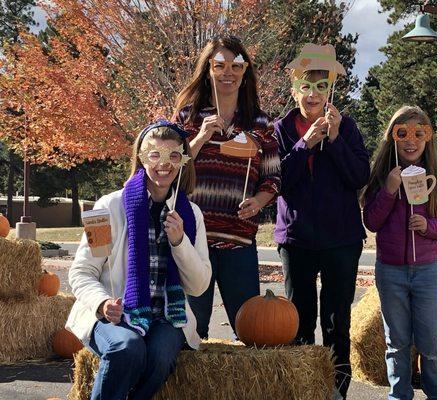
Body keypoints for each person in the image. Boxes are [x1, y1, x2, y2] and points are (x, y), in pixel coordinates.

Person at [66, 120, 211, 400]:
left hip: (167, 317)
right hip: (114, 316)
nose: (163, 164)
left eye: (173, 155)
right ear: (141, 158)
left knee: (159, 356)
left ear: (183, 161)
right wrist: (102, 303)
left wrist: (180, 242)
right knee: (128, 348)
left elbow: (199, 286)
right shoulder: (107, 207)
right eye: (154, 154)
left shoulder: (192, 215)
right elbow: (82, 272)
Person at [274, 43, 370, 399]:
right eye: (305, 86)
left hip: (341, 240)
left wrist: (333, 138)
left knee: (336, 321)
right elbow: (278, 181)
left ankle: (336, 391)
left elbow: (359, 176)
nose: (312, 95)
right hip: (296, 240)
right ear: (294, 89)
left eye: (320, 86)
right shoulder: (281, 129)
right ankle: (304, 390)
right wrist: (305, 145)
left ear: (330, 89)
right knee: (298, 321)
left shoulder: (347, 128)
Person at [173, 36, 280, 339]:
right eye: (220, 66)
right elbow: (170, 168)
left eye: (236, 66)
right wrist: (200, 138)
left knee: (250, 331)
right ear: (208, 70)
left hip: (239, 239)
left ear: (245, 72)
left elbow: (272, 178)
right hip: (193, 240)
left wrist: (259, 202)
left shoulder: (260, 123)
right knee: (191, 333)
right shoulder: (187, 118)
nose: (228, 73)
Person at [362, 106, 437, 400]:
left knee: (431, 342)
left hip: (428, 271)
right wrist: (389, 190)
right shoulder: (383, 177)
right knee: (397, 342)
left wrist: (428, 226)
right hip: (390, 271)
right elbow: (371, 221)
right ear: (392, 138)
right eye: (403, 133)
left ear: (427, 138)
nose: (411, 140)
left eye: (419, 133)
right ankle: (399, 396)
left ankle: (436, 395)